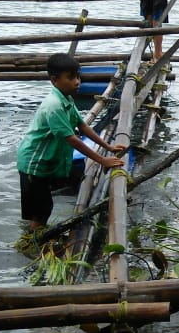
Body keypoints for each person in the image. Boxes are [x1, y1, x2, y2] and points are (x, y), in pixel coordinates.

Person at [17, 53, 126, 231]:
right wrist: (102, 160)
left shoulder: (66, 99)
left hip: (46, 162)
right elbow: (72, 139)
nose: (77, 82)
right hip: (34, 164)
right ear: (54, 80)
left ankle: (35, 237)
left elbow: (82, 126)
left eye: (77, 77)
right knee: (41, 210)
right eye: (71, 78)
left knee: (43, 206)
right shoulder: (54, 106)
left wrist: (108, 147)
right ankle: (33, 242)